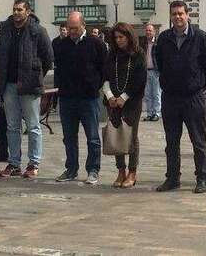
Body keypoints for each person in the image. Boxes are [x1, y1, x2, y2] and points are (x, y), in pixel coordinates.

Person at [154, 1, 206, 194]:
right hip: (170, 97)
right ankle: (172, 178)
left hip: (193, 97)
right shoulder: (164, 38)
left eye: (181, 13)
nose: (178, 17)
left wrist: (198, 84)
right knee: (171, 142)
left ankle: (202, 178)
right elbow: (160, 63)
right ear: (170, 16)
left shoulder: (201, 37)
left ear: (188, 15)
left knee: (198, 141)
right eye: (174, 14)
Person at [0, 0, 53, 179]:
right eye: (14, 9)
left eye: (20, 10)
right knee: (12, 126)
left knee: (33, 125)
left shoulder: (38, 31)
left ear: (28, 12)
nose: (16, 13)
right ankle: (14, 163)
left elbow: (48, 58)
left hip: (29, 85)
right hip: (9, 85)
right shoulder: (6, 30)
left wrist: (35, 75)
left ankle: (33, 163)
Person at [54, 11, 107, 185]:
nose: (72, 31)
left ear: (83, 25)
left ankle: (93, 170)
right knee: (69, 137)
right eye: (69, 28)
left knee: (92, 137)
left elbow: (104, 68)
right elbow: (58, 69)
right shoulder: (62, 45)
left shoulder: (96, 43)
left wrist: (95, 85)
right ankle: (71, 168)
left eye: (75, 28)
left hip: (88, 98)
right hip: (67, 98)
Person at [102, 23, 147, 188]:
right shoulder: (111, 54)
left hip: (132, 102)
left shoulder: (138, 54)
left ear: (129, 36)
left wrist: (124, 97)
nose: (118, 40)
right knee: (116, 133)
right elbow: (105, 77)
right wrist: (110, 96)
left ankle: (132, 172)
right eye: (116, 38)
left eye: (121, 37)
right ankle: (121, 170)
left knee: (131, 135)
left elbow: (140, 79)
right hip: (112, 101)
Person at [140, 23, 162, 122]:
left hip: (156, 71)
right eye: (147, 30)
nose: (148, 32)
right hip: (146, 71)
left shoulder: (158, 43)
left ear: (154, 32)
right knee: (147, 94)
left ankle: (156, 113)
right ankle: (149, 113)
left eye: (150, 30)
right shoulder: (143, 43)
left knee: (156, 93)